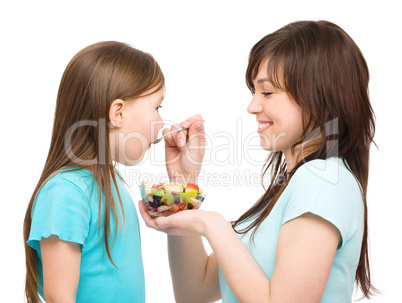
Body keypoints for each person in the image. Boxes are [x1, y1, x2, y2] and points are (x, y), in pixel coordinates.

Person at [140, 20, 377, 302]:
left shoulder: (322, 180)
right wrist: (183, 182)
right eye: (253, 92)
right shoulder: (295, 187)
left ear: (318, 96)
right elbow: (195, 291)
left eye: (267, 92)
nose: (252, 106)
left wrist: (212, 224)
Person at [23, 41, 204, 303]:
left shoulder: (113, 182)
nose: (162, 123)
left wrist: (183, 181)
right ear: (117, 113)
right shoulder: (65, 193)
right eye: (157, 108)